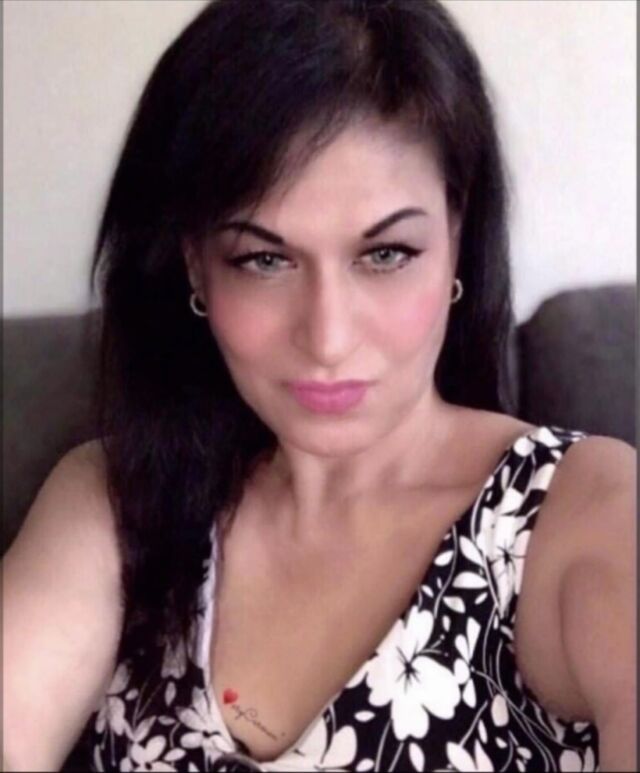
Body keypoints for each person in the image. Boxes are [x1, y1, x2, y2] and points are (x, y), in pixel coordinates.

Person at [3, 0, 635, 771]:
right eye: (264, 260)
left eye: (387, 253)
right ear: (195, 265)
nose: (328, 338)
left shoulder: (582, 512)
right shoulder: (115, 504)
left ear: (456, 235)